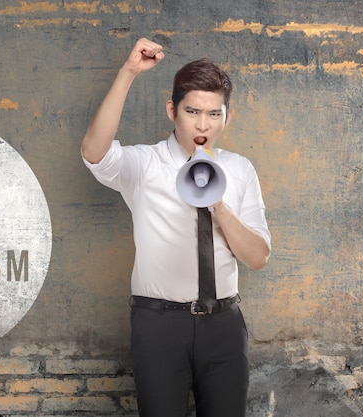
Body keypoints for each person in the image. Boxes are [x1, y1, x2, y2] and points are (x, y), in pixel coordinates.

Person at [81, 38, 271, 417]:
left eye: (215, 114)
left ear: (227, 117)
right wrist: (129, 72)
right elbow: (95, 153)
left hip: (224, 325)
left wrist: (218, 204)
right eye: (193, 112)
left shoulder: (239, 169)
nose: (204, 125)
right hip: (159, 323)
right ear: (173, 110)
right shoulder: (147, 164)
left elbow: (257, 257)